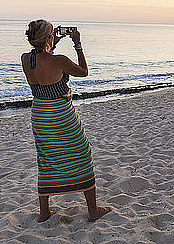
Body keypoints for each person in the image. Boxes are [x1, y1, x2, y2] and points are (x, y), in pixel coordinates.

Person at [21, 19, 111, 223]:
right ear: (48, 37)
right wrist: (77, 44)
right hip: (61, 115)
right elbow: (83, 71)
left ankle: (44, 212)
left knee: (45, 159)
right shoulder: (59, 60)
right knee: (82, 152)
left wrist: (50, 43)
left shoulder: (26, 59)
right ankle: (93, 210)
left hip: (40, 115)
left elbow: (42, 57)